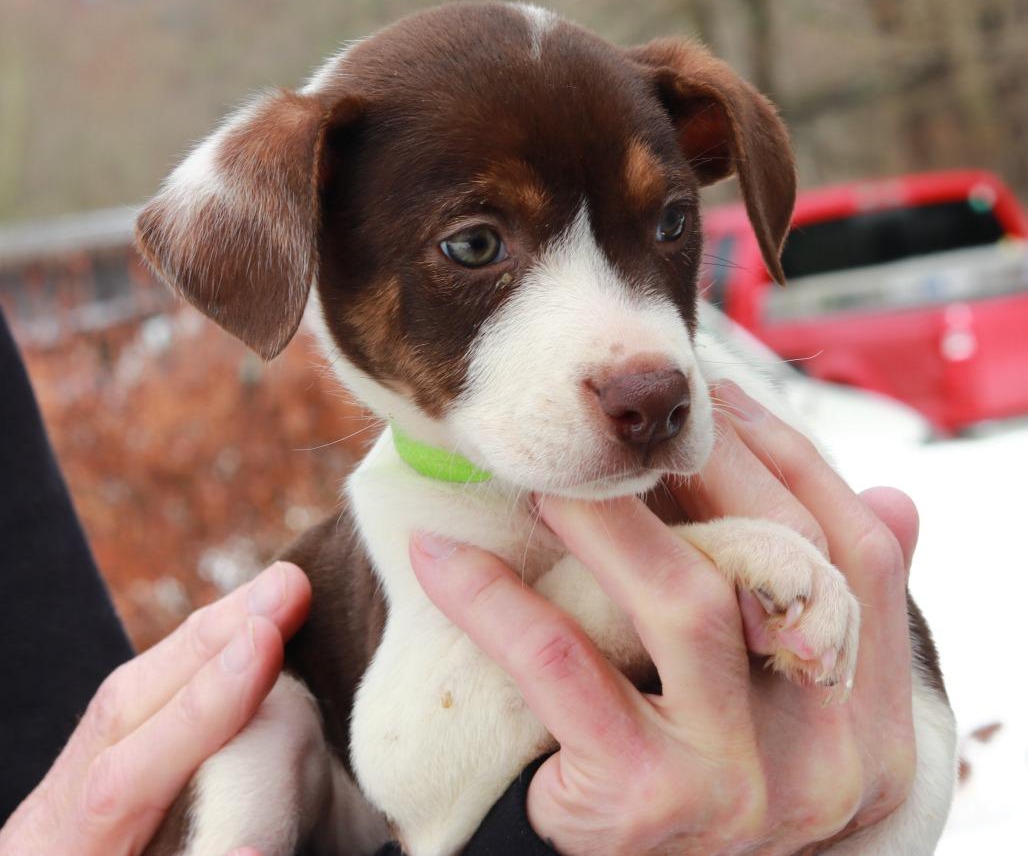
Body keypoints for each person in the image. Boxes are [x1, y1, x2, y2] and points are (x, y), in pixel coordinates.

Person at [0, 307, 919, 854]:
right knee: (257, 740)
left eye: (671, 224)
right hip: (362, 781)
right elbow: (410, 761)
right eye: (475, 248)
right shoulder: (417, 502)